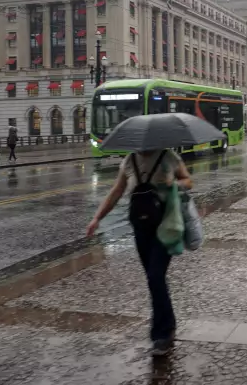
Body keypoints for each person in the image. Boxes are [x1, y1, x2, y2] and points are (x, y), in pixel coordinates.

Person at [86, 148, 192, 356]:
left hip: (167, 225)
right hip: (141, 227)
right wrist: (97, 218)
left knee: (155, 276)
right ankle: (168, 323)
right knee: (154, 279)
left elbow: (188, 181)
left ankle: (161, 334)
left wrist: (175, 184)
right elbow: (117, 191)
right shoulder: (129, 161)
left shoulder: (168, 157)